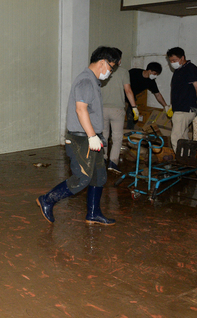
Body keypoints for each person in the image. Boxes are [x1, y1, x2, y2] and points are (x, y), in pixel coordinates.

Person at [36, 46, 120, 226]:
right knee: (82, 178)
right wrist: (91, 136)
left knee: (99, 176)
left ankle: (93, 213)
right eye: (111, 68)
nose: (110, 73)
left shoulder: (94, 81)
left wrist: (96, 136)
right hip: (82, 138)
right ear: (102, 62)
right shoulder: (85, 81)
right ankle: (48, 200)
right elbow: (80, 109)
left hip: (92, 137)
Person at [100, 50, 137, 174]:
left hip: (102, 108)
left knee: (104, 135)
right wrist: (134, 107)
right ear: (119, 60)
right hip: (117, 110)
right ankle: (113, 163)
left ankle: (103, 159)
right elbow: (128, 91)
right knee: (116, 138)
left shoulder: (102, 70)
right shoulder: (123, 72)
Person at [166, 47, 197, 151]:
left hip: (185, 108)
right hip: (179, 108)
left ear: (182, 57)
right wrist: (172, 106)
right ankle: (186, 160)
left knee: (176, 138)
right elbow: (176, 90)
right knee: (183, 138)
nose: (172, 63)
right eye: (170, 61)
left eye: (174, 60)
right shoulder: (178, 70)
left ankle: (180, 161)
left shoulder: (191, 69)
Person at [126, 62, 170, 129]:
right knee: (118, 113)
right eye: (155, 74)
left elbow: (157, 94)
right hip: (121, 94)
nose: (155, 76)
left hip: (131, 97)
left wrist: (166, 106)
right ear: (149, 71)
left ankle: (129, 131)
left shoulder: (151, 82)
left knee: (132, 116)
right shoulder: (134, 72)